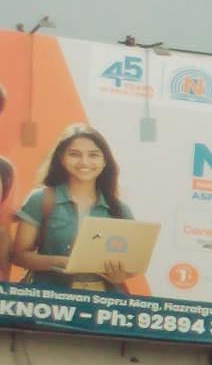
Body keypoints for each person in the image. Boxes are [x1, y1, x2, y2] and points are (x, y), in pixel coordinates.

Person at [4, 126, 151, 294]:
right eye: (74, 154)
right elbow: (19, 256)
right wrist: (66, 262)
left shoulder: (118, 209)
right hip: (49, 299)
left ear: (105, 161)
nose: (84, 162)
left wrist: (121, 275)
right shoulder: (41, 199)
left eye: (93, 155)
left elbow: (133, 262)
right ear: (61, 158)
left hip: (101, 303)